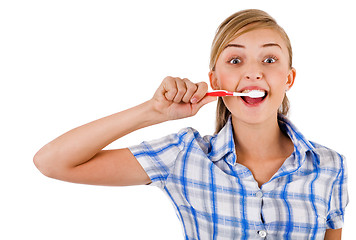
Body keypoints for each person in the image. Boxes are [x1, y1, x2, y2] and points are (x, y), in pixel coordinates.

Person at [34, 9, 348, 240]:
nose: (253, 73)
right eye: (235, 61)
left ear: (289, 78)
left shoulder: (330, 166)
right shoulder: (183, 155)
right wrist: (153, 111)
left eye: (269, 60)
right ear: (215, 80)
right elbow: (52, 162)